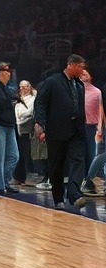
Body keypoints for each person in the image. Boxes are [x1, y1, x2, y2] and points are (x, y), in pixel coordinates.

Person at [33, 54, 87, 210]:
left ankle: (75, 195)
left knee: (78, 160)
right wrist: (40, 123)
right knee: (57, 165)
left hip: (77, 130)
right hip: (57, 130)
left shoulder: (80, 85)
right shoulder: (52, 82)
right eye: (81, 67)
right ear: (71, 65)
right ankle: (58, 198)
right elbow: (40, 103)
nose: (83, 70)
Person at [0, 62, 19, 196]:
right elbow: (0, 103)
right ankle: (0, 186)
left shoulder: (7, 88)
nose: (10, 74)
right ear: (1, 72)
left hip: (10, 125)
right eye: (7, 71)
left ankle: (6, 181)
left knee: (14, 156)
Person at [13, 80, 37, 186]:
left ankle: (22, 177)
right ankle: (17, 177)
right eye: (21, 87)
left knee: (24, 154)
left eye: (25, 87)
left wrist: (21, 114)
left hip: (26, 130)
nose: (22, 89)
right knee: (17, 154)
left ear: (29, 87)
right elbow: (16, 113)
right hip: (17, 128)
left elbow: (29, 112)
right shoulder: (18, 100)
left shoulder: (32, 99)